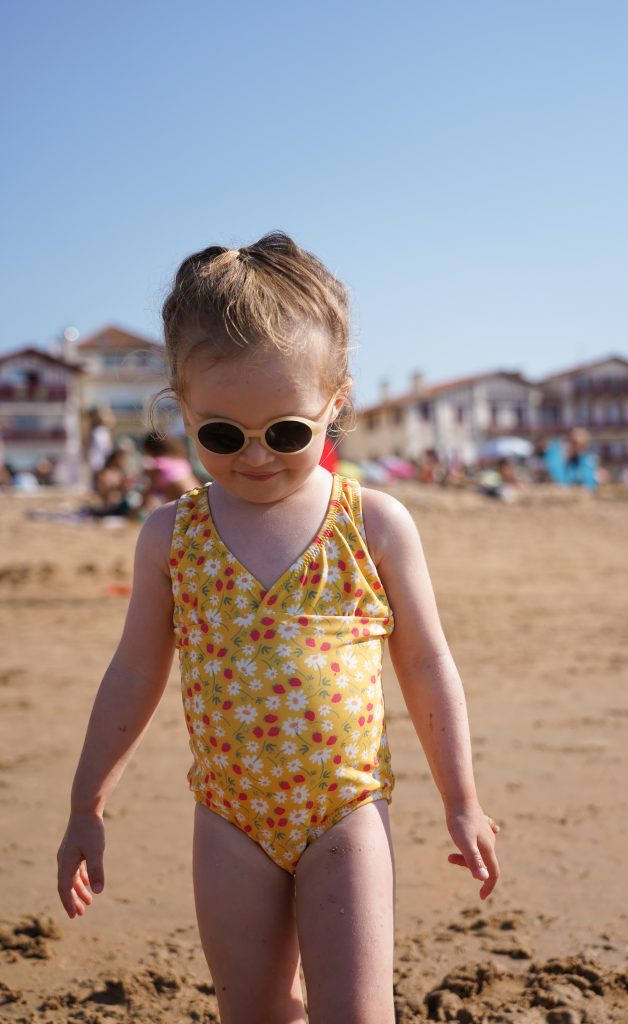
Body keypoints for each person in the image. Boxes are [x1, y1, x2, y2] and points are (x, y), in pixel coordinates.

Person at [57, 232, 500, 1024]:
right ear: (181, 410)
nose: (255, 456)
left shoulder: (374, 524)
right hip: (228, 817)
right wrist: (87, 805)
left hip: (345, 811)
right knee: (253, 1013)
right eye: (220, 435)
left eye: (288, 433)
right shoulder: (171, 535)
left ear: (336, 403)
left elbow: (427, 664)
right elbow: (133, 673)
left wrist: (460, 799)